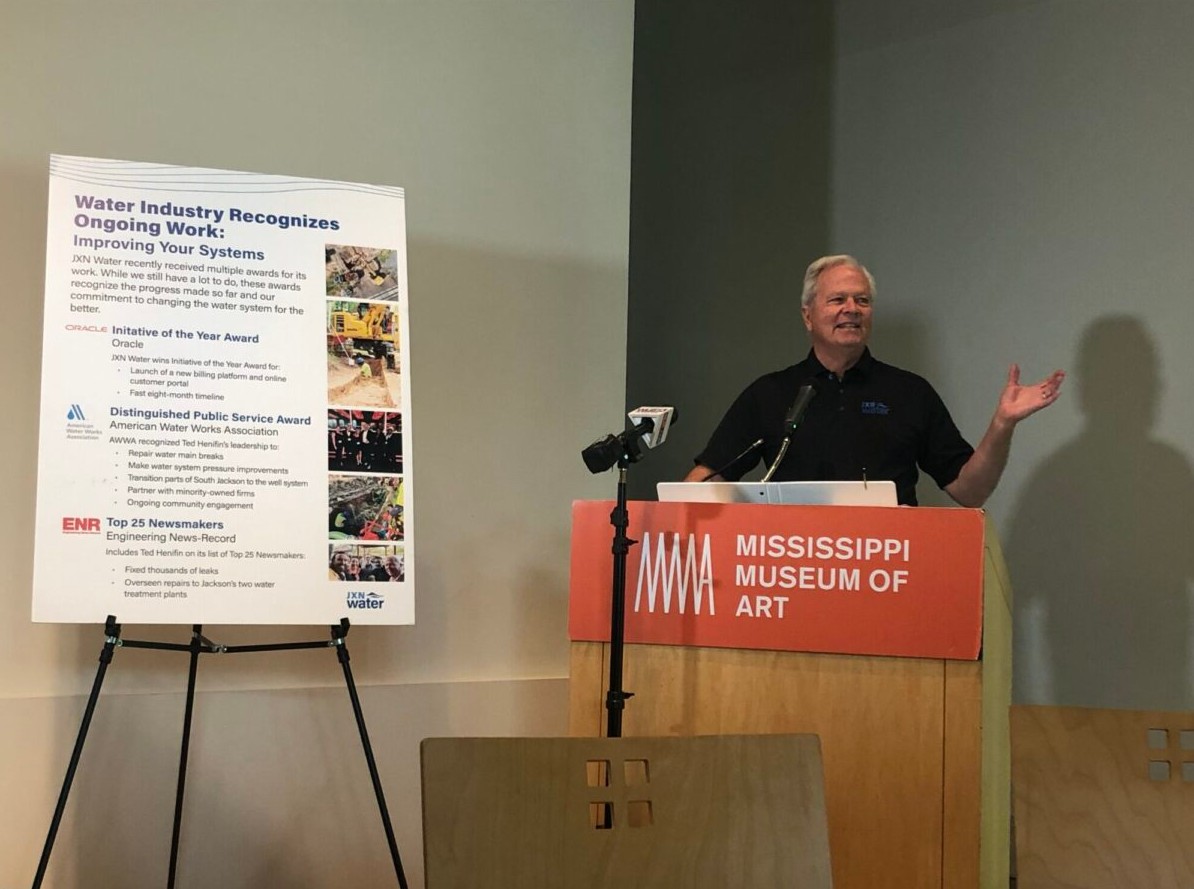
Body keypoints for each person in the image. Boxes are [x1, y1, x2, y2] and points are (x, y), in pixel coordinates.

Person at [685, 255, 1065, 507]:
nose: (852, 309)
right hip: (795, 576)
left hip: (887, 578)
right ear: (807, 316)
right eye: (838, 300)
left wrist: (1002, 424)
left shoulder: (910, 393)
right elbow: (704, 481)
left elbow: (971, 491)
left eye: (862, 301)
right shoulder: (770, 394)